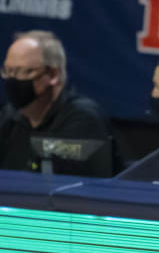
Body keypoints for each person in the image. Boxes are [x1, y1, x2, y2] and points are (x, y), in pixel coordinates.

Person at [0, 31, 117, 176]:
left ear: (53, 75)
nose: (12, 79)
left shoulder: (83, 119)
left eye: (22, 71)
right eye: (8, 71)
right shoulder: (9, 116)